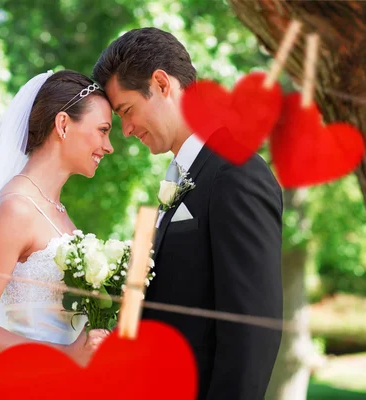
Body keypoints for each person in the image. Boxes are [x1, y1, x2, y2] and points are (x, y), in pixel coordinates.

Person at [93, 27, 283, 399]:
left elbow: (252, 331)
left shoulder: (236, 174)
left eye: (127, 111)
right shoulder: (186, 175)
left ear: (162, 83)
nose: (127, 130)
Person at [0, 70, 114, 367]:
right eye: (103, 130)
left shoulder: (57, 211)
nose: (109, 146)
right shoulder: (16, 209)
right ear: (63, 124)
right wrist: (63, 356)